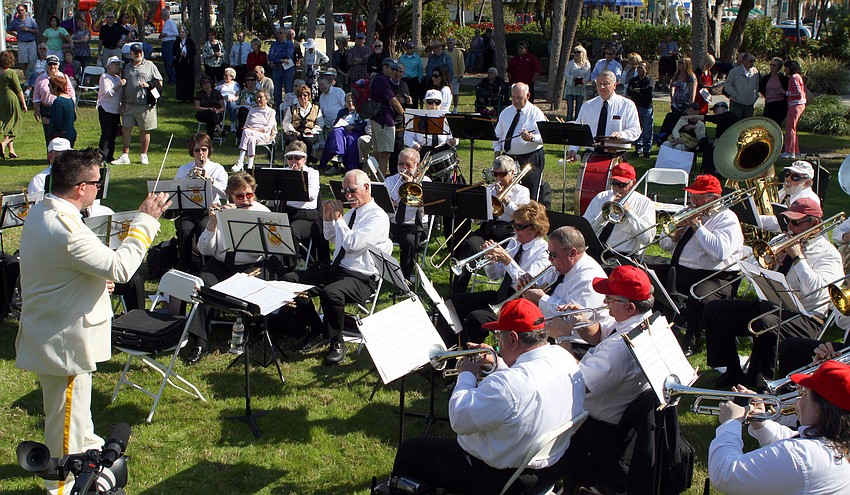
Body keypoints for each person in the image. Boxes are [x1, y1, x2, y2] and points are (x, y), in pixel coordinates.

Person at [15, 148, 168, 495]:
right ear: (81, 187)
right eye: (97, 184)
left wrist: (95, 279)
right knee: (65, 425)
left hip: (52, 331)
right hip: (63, 341)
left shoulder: (42, 210)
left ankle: (89, 466)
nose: (99, 189)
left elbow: (62, 271)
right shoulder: (67, 229)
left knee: (73, 415)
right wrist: (145, 221)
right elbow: (122, 268)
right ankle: (62, 485)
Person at [391, 298, 585, 495]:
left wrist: (466, 374)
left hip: (500, 478)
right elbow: (521, 389)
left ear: (512, 339)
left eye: (499, 336)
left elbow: (459, 420)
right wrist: (499, 363)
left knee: (411, 451)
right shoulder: (565, 358)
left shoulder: (507, 386)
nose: (497, 342)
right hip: (550, 469)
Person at [706, 198, 843, 387]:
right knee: (716, 309)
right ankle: (732, 370)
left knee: (766, 324)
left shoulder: (829, 254)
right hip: (772, 304)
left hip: (805, 317)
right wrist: (770, 263)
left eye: (796, 223)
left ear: (816, 224)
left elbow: (817, 294)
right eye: (787, 221)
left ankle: (758, 385)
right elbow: (752, 271)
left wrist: (798, 258)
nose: (789, 228)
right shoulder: (782, 241)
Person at [552, 265, 656, 493]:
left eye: (610, 299)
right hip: (609, 419)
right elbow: (601, 333)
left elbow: (576, 384)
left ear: (629, 306)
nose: (605, 302)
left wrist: (561, 338)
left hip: (593, 429)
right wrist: (581, 320)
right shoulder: (640, 323)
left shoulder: (619, 350)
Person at [285, 169, 392, 365]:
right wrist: (328, 219)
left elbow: (353, 245)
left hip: (362, 277)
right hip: (338, 269)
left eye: (352, 190)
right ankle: (318, 329)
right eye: (344, 192)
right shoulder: (352, 213)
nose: (348, 196)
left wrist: (339, 219)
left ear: (366, 187)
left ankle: (337, 342)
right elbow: (331, 237)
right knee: (290, 281)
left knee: (330, 293)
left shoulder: (377, 217)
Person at [709, 360, 850, 494]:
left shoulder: (803, 454)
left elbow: (725, 474)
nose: (798, 399)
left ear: (822, 408)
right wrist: (760, 421)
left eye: (804, 393)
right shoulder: (834, 445)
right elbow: (790, 439)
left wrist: (730, 423)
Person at [650, 174, 744, 356]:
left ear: (714, 198)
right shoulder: (689, 211)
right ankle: (658, 330)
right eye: (692, 195)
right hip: (683, 270)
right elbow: (664, 246)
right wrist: (676, 232)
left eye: (698, 196)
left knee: (699, 295)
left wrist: (698, 227)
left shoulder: (727, 218)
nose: (693, 200)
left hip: (716, 276)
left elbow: (719, 252)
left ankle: (692, 340)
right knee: (649, 278)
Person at [186, 172, 271, 365]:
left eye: (249, 195)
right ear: (230, 196)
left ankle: (249, 333)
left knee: (249, 283)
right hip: (221, 263)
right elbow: (204, 249)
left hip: (249, 264)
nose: (245, 199)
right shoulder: (220, 212)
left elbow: (265, 251)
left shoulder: (262, 213)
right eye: (239, 196)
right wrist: (214, 223)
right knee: (204, 285)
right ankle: (199, 341)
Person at [439, 201, 550, 346]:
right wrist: (489, 259)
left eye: (519, 227)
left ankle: (476, 360)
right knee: (450, 302)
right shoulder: (515, 243)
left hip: (519, 303)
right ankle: (452, 351)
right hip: (501, 296)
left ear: (535, 228)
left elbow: (526, 283)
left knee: (476, 318)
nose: (515, 231)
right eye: (514, 225)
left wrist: (506, 259)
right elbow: (495, 275)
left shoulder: (543, 252)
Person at [451, 155, 531, 293]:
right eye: (495, 174)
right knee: (470, 245)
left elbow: (522, 217)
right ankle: (456, 292)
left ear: (512, 173)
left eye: (503, 174)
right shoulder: (489, 189)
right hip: (487, 229)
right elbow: (478, 218)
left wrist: (506, 200)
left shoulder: (522, 192)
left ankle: (504, 293)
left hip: (510, 232)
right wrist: (475, 213)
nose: (498, 178)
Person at [174, 133, 228, 273]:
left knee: (204, 228)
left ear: (209, 150)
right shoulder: (184, 169)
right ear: (192, 152)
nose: (200, 154)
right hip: (188, 210)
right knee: (184, 230)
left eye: (204, 149)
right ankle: (184, 268)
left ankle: (206, 269)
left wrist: (210, 179)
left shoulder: (218, 169)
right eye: (196, 150)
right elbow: (174, 193)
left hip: (209, 210)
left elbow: (225, 194)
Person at [583, 162, 655, 256]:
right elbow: (584, 232)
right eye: (614, 183)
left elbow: (647, 239)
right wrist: (602, 217)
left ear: (633, 183)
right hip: (595, 249)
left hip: (622, 255)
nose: (617, 188)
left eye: (622, 184)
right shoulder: (601, 197)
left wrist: (630, 213)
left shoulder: (645, 203)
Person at [567, 70, 641, 162]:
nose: (602, 87)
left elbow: (635, 130)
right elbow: (579, 131)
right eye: (599, 84)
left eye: (606, 83)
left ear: (615, 85)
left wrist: (621, 134)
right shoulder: (588, 105)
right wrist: (573, 149)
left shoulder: (627, 105)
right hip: (591, 154)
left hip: (616, 156)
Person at [493, 82, 547, 203]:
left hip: (530, 158)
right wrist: (497, 152)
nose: (516, 101)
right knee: (507, 191)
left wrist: (531, 138)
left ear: (527, 96)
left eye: (519, 97)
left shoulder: (536, 113)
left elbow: (545, 137)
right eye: (514, 97)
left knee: (530, 193)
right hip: (508, 159)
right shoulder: (506, 112)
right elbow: (498, 135)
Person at [385, 148, 432, 282]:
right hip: (393, 223)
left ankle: (404, 278)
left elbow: (427, 207)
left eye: (408, 165)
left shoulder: (426, 182)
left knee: (409, 241)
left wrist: (411, 186)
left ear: (417, 166)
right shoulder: (390, 181)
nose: (403, 169)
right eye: (400, 164)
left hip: (415, 225)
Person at [112, 44, 161, 166]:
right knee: (126, 129)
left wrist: (148, 85)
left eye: (140, 52)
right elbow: (124, 86)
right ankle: (125, 155)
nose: (138, 54)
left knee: (145, 130)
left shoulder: (150, 65)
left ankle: (144, 155)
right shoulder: (127, 67)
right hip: (129, 104)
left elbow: (159, 82)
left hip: (145, 105)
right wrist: (122, 103)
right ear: (131, 54)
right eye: (136, 52)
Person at [282, 140, 326, 264]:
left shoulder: (312, 173)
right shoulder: (283, 172)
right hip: (287, 212)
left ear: (305, 159)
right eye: (290, 158)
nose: (294, 161)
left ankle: (290, 265)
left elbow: (311, 195)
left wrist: (297, 177)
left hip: (306, 216)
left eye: (298, 158)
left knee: (291, 232)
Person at [370, 58, 406, 176]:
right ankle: (382, 183)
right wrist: (405, 115)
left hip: (376, 119)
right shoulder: (382, 80)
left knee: (377, 153)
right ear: (384, 67)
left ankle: (375, 181)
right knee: (384, 154)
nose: (394, 71)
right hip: (384, 120)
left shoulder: (378, 79)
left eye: (396, 69)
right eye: (392, 68)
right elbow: (393, 101)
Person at [33, 55, 76, 147]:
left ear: (58, 65)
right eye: (50, 64)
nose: (52, 66)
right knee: (49, 135)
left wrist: (73, 107)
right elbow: (36, 95)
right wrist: (36, 109)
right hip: (46, 107)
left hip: (61, 106)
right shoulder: (40, 78)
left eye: (54, 64)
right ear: (46, 65)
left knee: (59, 131)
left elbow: (71, 93)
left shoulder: (64, 77)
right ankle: (50, 154)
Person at [320, 92, 368, 174]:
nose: (350, 103)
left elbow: (364, 125)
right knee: (336, 132)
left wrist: (353, 127)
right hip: (342, 131)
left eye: (352, 101)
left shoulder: (361, 111)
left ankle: (345, 163)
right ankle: (337, 159)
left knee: (349, 138)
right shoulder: (342, 112)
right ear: (345, 103)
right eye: (348, 101)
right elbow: (336, 123)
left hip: (356, 131)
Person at [233, 90, 276, 172]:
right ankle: (250, 165)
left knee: (246, 132)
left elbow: (268, 128)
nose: (259, 99)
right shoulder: (252, 110)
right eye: (257, 97)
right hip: (251, 134)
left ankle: (240, 161)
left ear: (266, 99)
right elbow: (245, 125)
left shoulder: (271, 112)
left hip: (264, 135)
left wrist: (254, 130)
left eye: (261, 97)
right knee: (251, 138)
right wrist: (249, 129)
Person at [404, 89, 455, 153]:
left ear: (441, 103)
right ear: (425, 102)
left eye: (437, 102)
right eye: (430, 102)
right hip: (422, 152)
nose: (433, 105)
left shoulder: (446, 118)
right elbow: (407, 137)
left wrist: (453, 141)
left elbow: (453, 137)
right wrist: (414, 145)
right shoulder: (416, 117)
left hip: (442, 151)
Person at [282, 85, 324, 162]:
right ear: (297, 97)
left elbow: (320, 123)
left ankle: (306, 159)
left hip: (309, 133)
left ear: (309, 96)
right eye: (300, 95)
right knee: (292, 141)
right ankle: (293, 160)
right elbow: (286, 122)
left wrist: (312, 131)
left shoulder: (316, 108)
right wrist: (293, 131)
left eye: (305, 95)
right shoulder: (292, 108)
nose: (303, 97)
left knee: (308, 140)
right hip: (295, 132)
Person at [0, 51, 27, 159]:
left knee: (7, 123)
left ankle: (11, 151)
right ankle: (4, 143)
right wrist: (23, 103)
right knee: (15, 122)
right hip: (11, 98)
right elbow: (18, 90)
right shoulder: (11, 72)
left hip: (1, 99)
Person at [627, 61, 655, 158]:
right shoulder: (633, 80)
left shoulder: (650, 79)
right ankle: (638, 149)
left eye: (641, 68)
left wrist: (638, 90)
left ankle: (647, 150)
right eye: (638, 68)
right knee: (637, 128)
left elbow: (649, 89)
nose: (639, 70)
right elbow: (629, 92)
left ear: (646, 69)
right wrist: (640, 91)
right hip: (636, 107)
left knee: (647, 130)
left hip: (647, 107)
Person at [783, 59, 808, 159]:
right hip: (797, 104)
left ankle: (790, 151)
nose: (785, 70)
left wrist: (785, 92)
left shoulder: (794, 77)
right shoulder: (797, 77)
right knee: (792, 128)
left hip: (796, 104)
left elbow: (798, 92)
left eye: (786, 67)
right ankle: (795, 150)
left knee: (790, 128)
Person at [6, 4, 39, 77]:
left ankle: (32, 77)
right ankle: (27, 77)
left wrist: (28, 29)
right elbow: (8, 30)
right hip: (22, 43)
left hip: (31, 42)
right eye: (19, 10)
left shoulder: (31, 20)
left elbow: (37, 30)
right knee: (24, 61)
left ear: (25, 11)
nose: (21, 12)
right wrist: (16, 35)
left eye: (22, 10)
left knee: (33, 61)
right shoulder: (15, 21)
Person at [725, 52, 759, 119]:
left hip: (749, 104)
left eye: (754, 61)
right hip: (737, 104)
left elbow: (756, 86)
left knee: (747, 125)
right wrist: (736, 95)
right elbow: (727, 85)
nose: (753, 63)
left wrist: (755, 97)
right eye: (751, 61)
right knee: (735, 123)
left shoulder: (755, 72)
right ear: (744, 61)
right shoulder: (734, 71)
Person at [47, 75, 76, 146]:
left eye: (49, 85)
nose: (49, 88)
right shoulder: (70, 99)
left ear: (55, 87)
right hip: (71, 131)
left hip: (62, 135)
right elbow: (74, 117)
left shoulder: (58, 102)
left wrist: (49, 122)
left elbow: (57, 121)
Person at [563, 45, 591, 122]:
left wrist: (583, 81)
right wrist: (573, 78)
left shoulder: (587, 64)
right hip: (570, 87)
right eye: (575, 52)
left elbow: (588, 76)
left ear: (583, 53)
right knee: (570, 109)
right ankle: (568, 123)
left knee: (579, 109)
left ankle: (577, 124)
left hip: (580, 88)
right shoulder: (570, 63)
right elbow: (565, 74)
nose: (576, 54)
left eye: (578, 52)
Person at [759, 57, 789, 127]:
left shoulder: (783, 79)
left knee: (776, 125)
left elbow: (787, 91)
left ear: (779, 67)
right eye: (771, 65)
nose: (771, 67)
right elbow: (762, 88)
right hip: (769, 104)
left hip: (779, 104)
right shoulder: (766, 78)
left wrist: (782, 92)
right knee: (767, 124)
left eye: (774, 65)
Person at [268, 27, 295, 105]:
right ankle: (278, 112)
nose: (279, 35)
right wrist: (281, 60)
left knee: (288, 91)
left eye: (281, 33)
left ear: (285, 34)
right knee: (277, 93)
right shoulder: (274, 44)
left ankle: (289, 111)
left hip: (288, 70)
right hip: (277, 68)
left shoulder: (289, 44)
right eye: (278, 33)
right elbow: (270, 56)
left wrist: (275, 55)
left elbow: (287, 54)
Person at [173, 26, 196, 103]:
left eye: (182, 32)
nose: (181, 34)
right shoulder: (177, 41)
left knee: (189, 80)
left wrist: (187, 54)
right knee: (181, 80)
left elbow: (194, 51)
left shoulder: (190, 41)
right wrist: (180, 54)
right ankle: (182, 97)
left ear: (186, 33)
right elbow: (174, 52)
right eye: (180, 32)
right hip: (180, 63)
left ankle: (190, 97)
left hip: (189, 62)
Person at [216, 68, 240, 136]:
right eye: (225, 75)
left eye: (228, 75)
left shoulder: (235, 84)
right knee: (221, 104)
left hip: (233, 100)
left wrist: (234, 99)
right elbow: (215, 93)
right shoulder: (220, 84)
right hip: (222, 99)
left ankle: (232, 124)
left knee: (232, 105)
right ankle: (217, 123)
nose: (226, 77)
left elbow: (238, 95)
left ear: (232, 76)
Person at [399, 41, 423, 108]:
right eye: (408, 48)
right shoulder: (402, 58)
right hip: (404, 80)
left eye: (411, 48)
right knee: (404, 98)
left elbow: (420, 70)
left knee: (414, 99)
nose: (409, 50)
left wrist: (419, 79)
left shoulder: (417, 58)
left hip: (414, 80)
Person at [159, 8, 178, 84]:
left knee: (169, 61)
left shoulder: (170, 22)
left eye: (161, 15)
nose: (161, 16)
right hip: (165, 43)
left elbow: (176, 33)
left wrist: (166, 34)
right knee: (166, 61)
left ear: (165, 15)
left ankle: (173, 78)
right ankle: (171, 77)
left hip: (169, 43)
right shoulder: (166, 23)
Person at [445, 37, 465, 112]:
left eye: (451, 43)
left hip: (455, 76)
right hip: (446, 76)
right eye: (448, 43)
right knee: (447, 93)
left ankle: (455, 108)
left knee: (455, 93)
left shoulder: (458, 52)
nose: (449, 44)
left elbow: (461, 64)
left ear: (454, 43)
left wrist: (461, 75)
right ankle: (447, 107)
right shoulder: (445, 53)